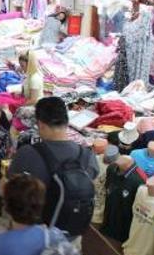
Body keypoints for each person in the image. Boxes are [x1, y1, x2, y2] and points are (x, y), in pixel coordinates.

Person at [8, 97, 99, 240]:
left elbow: (7, 188)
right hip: (70, 237)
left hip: (35, 237)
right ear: (67, 122)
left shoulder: (27, 153)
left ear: (41, 124)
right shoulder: (87, 155)